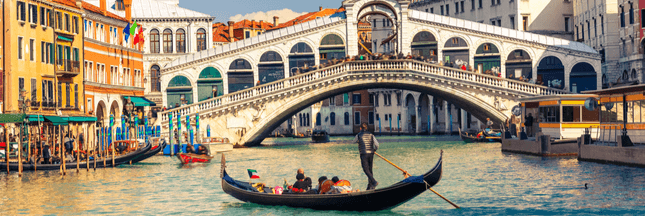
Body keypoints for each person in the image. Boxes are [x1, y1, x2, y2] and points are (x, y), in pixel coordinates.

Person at [353, 123, 379, 190]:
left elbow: (353, 141)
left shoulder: (358, 135)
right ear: (366, 128)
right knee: (370, 169)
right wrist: (374, 150)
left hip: (363, 153)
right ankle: (370, 186)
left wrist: (358, 141)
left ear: (360, 128)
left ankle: (373, 181)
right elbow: (377, 145)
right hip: (371, 153)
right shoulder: (371, 134)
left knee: (365, 169)